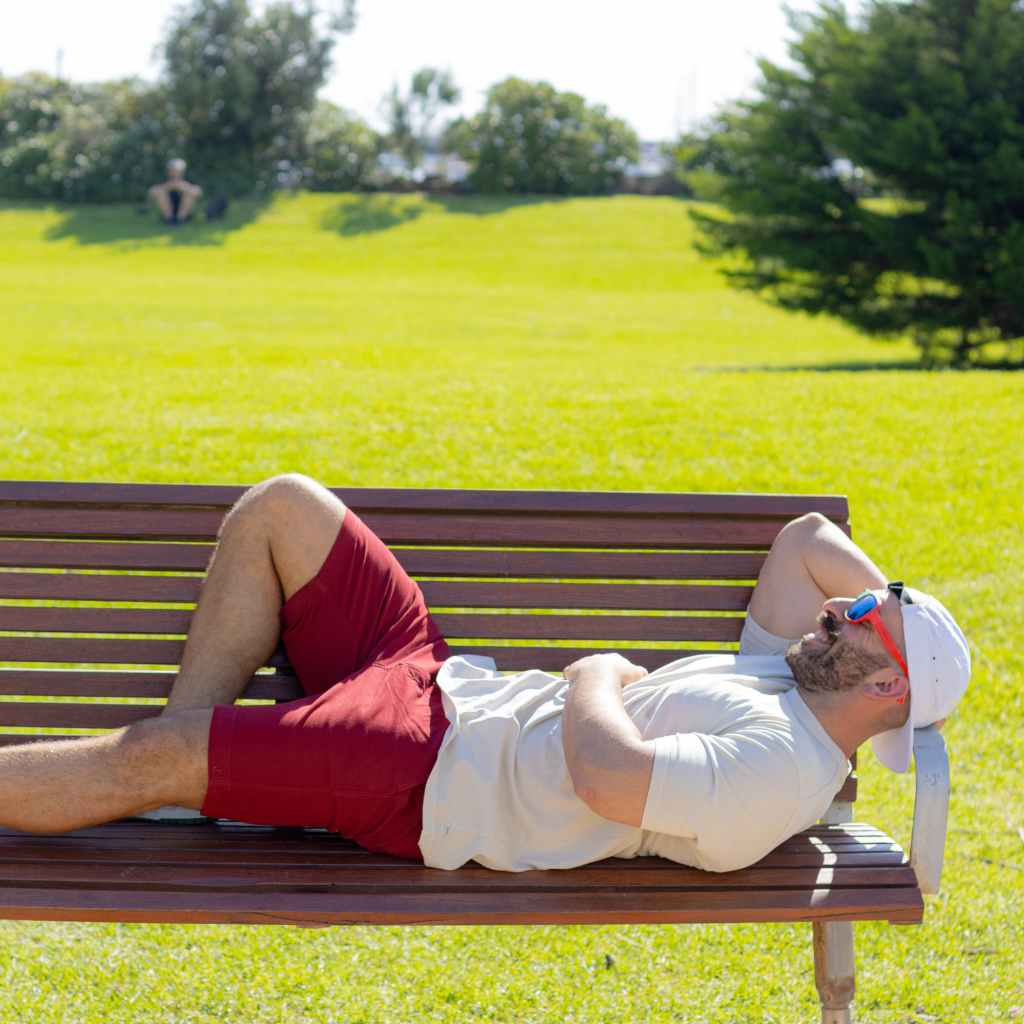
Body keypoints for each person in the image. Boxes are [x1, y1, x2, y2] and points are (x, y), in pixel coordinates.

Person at [0, 475, 970, 873]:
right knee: (285, 508)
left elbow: (608, 778)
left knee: (160, 753)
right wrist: (894, 603)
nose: (838, 607)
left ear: (885, 687)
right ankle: (199, 769)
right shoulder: (786, 679)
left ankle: (182, 764)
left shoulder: (779, 769)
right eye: (857, 601)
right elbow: (805, 541)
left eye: (861, 622)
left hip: (420, 771)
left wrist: (594, 673)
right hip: (437, 681)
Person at [148, 158, 203, 226]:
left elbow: (199, 192)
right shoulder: (163, 180)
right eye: (172, 170)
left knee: (190, 193)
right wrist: (166, 187)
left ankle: (180, 220)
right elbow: (151, 192)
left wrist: (184, 188)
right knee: (160, 192)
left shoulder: (189, 179)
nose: (174, 173)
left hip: (185, 209)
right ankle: (169, 220)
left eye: (176, 170)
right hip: (167, 208)